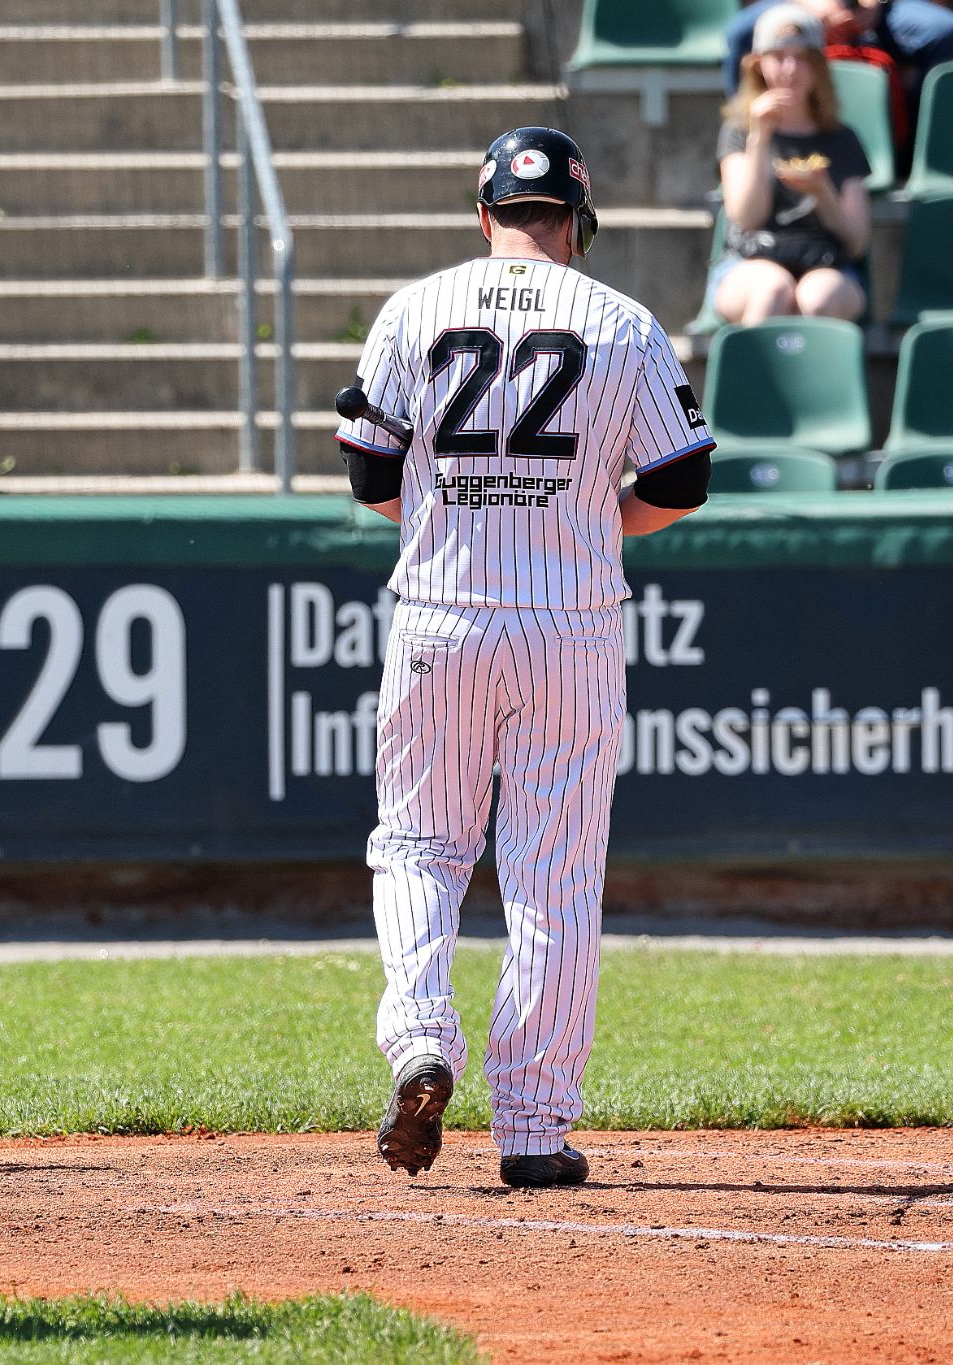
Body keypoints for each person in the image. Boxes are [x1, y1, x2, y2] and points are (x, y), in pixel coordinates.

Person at [338, 127, 711, 1187]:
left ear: (483, 214)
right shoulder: (619, 320)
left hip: (440, 615)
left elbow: (367, 473)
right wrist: (592, 515)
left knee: (417, 847)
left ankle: (418, 1036)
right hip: (567, 621)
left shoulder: (413, 308)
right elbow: (681, 483)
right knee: (550, 878)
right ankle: (535, 1130)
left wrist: (452, 510)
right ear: (577, 226)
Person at [711, 6, 872, 327]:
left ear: (818, 67)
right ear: (758, 65)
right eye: (779, 56)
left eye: (802, 58)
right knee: (771, 290)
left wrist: (821, 192)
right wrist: (760, 136)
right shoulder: (740, 131)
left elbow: (856, 243)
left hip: (826, 262)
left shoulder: (841, 138)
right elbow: (746, 216)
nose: (790, 69)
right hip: (751, 260)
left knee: (818, 298)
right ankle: (756, 378)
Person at [725, 0, 953, 110]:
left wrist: (875, 3)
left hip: (882, 10)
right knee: (740, 33)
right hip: (796, 6)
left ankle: (916, 147)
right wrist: (810, 5)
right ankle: (742, 136)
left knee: (944, 30)